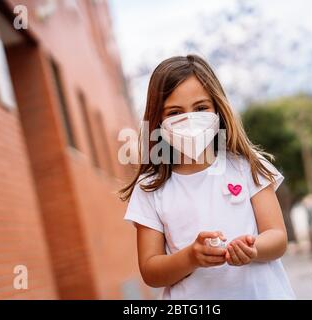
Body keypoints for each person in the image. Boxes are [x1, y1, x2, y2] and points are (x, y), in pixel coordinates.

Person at [119, 54, 295, 299]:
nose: (190, 119)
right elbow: (151, 271)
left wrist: (252, 249)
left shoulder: (246, 166)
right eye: (175, 112)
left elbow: (277, 237)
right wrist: (191, 257)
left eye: (201, 108)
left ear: (217, 108)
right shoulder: (150, 188)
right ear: (157, 120)